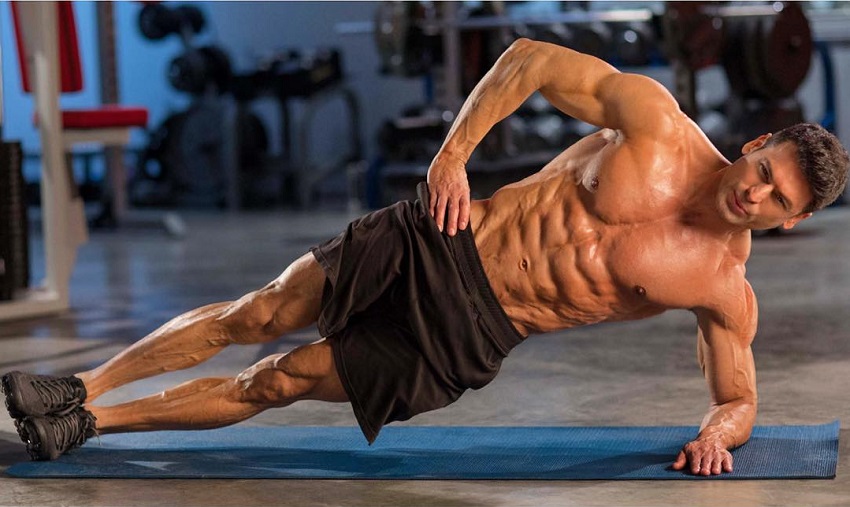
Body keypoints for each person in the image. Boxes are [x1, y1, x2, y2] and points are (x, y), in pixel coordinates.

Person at [3, 39, 848, 475]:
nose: (758, 195)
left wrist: (715, 434)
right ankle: (83, 384)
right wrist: (453, 152)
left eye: (781, 204)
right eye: (766, 173)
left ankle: (88, 426)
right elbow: (529, 60)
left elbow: (739, 398)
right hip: (442, 238)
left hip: (470, 336)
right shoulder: (657, 124)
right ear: (756, 142)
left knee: (278, 380)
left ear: (787, 224)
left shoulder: (722, 287)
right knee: (254, 314)